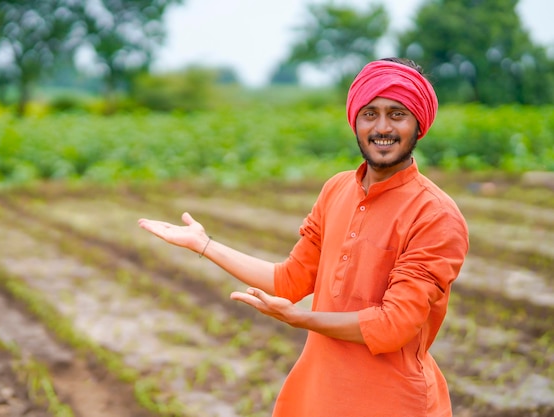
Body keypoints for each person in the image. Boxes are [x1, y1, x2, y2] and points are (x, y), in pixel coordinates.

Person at [138, 57, 469, 416]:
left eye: (397, 114)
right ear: (355, 121)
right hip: (317, 395)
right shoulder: (336, 189)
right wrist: (204, 245)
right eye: (370, 113)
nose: (382, 127)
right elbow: (289, 281)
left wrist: (301, 319)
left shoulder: (436, 215)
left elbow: (393, 326)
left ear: (419, 124)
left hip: (391, 401)